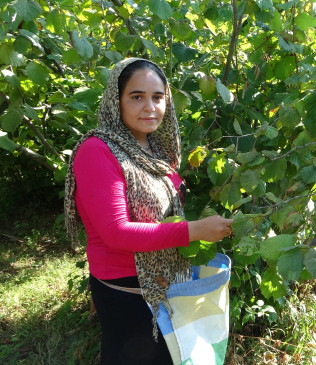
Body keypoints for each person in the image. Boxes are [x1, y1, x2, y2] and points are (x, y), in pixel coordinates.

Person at [63, 58, 233, 364]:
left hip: (166, 283)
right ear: (116, 101)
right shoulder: (97, 150)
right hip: (128, 291)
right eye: (136, 96)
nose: (149, 107)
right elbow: (116, 232)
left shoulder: (155, 148)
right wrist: (195, 230)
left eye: (157, 97)